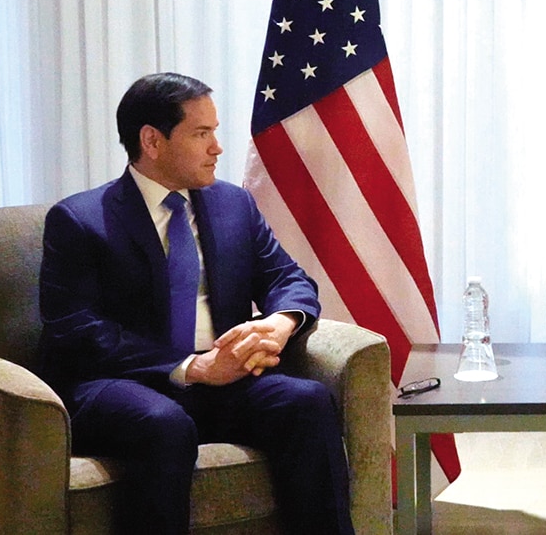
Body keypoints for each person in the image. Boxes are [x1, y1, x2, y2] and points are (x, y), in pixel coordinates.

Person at [38, 72, 355, 534]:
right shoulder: (79, 219)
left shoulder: (233, 205)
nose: (217, 148)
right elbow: (77, 329)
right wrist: (193, 367)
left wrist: (281, 323)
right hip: (121, 382)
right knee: (163, 424)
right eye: (201, 133)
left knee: (306, 401)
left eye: (215, 132)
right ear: (152, 140)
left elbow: (288, 278)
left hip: (224, 380)